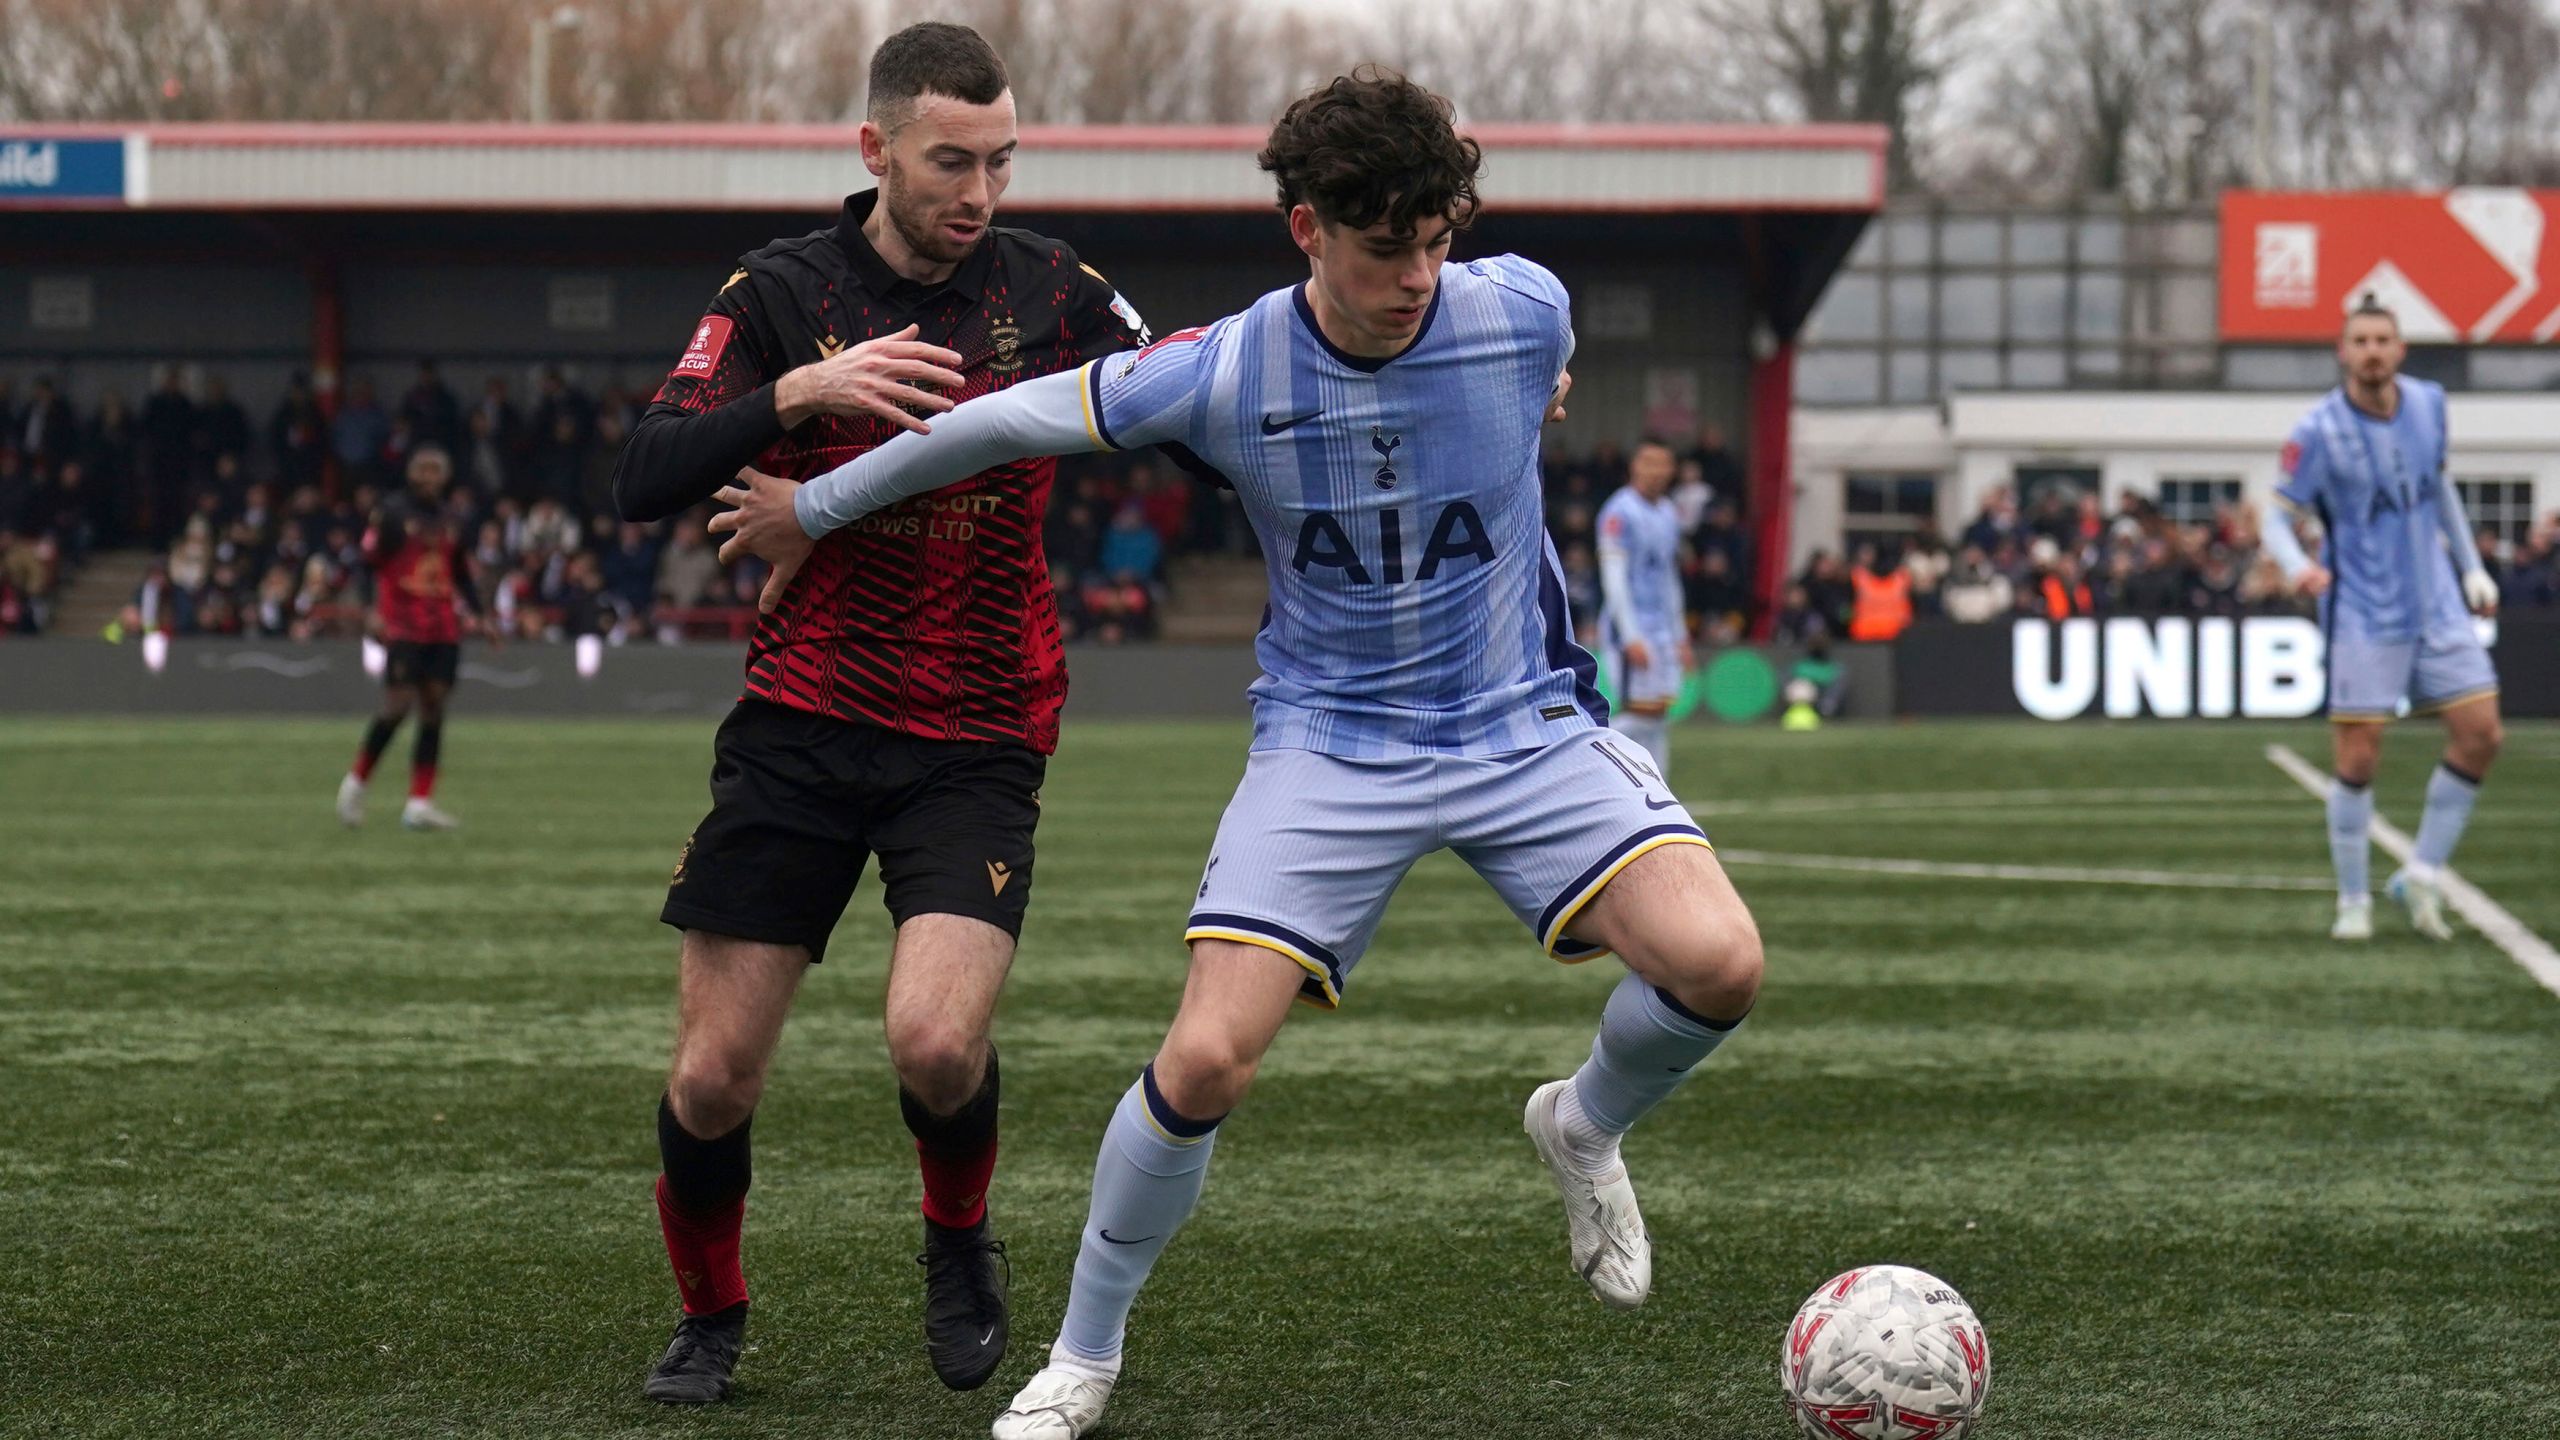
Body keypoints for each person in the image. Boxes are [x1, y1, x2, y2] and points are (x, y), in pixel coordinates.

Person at [717, 68, 1764, 1440]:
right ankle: (1084, 1355)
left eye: (1438, 241)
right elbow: (991, 422)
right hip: (1331, 749)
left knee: (1721, 966)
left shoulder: (1524, 311)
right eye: (1386, 248)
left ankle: (1582, 1124)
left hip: (1522, 725)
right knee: (1206, 1060)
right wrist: (823, 505)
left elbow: (1532, 349)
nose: (1417, 277)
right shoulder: (1222, 370)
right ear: (1307, 230)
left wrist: (1528, 357)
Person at [605, 21, 1153, 1406]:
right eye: (950, 161)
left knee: (934, 1039)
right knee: (715, 1076)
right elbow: (644, 471)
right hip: (798, 722)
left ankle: (959, 1242)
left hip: (977, 725)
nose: (980, 191)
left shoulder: (1054, 285)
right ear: (876, 151)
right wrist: (800, 391)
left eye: (1002, 159)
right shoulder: (783, 289)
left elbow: (1195, 385)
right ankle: (710, 1319)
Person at [2261, 296, 2502, 942]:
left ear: (2399, 349)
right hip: (2363, 611)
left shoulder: (2429, 404)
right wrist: (2295, 565)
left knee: (2482, 735)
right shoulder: (2316, 431)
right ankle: (2353, 899)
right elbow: (2276, 515)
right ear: (2344, 352)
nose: (2372, 351)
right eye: (2360, 340)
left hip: (2438, 606)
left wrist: (2470, 564)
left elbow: (2438, 484)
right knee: (2360, 757)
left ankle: (2420, 874)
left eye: (2383, 339)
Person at [335, 446, 475, 832]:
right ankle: (356, 782)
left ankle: (419, 803)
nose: (429, 477)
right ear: (411, 474)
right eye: (423, 469)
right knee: (398, 704)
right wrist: (370, 610)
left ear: (444, 476)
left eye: (436, 470)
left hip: (443, 625)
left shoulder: (451, 519)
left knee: (434, 706)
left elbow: (461, 572)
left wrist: (481, 613)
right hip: (403, 624)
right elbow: (365, 567)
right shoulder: (392, 514)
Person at [1595, 438, 1688, 773]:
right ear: (1634, 466)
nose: (1657, 471)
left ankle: (1661, 793)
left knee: (1659, 714)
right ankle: (1589, 755)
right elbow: (1614, 578)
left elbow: (1668, 577)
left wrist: (1679, 635)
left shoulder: (1667, 512)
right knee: (1639, 713)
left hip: (1662, 628)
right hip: (1631, 628)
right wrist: (1630, 634)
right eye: (1649, 462)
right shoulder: (1619, 511)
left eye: (1664, 464)